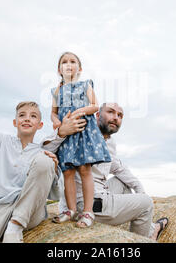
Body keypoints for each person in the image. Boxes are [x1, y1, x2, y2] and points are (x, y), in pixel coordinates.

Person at [0, 73, 85, 243]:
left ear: (40, 125)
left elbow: (54, 193)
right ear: (15, 122)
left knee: (46, 160)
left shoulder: (43, 150)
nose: (27, 118)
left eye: (33, 116)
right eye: (22, 115)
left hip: (31, 212)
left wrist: (53, 168)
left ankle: (15, 226)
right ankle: (9, 226)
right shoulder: (0, 142)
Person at [57, 103, 169, 241]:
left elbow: (119, 168)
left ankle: (148, 228)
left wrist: (140, 189)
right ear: (97, 115)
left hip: (101, 193)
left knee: (122, 183)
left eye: (120, 115)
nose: (115, 118)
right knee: (146, 203)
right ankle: (145, 238)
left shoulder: (110, 142)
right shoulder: (81, 132)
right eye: (110, 112)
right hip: (85, 205)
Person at [50, 52, 111, 228]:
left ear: (80, 68)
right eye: (64, 62)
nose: (68, 65)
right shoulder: (57, 90)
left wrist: (79, 111)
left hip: (83, 132)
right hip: (67, 134)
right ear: (59, 70)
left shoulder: (85, 85)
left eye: (72, 62)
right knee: (67, 172)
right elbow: (53, 112)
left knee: (84, 170)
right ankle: (70, 210)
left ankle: (88, 211)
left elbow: (94, 105)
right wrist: (56, 121)